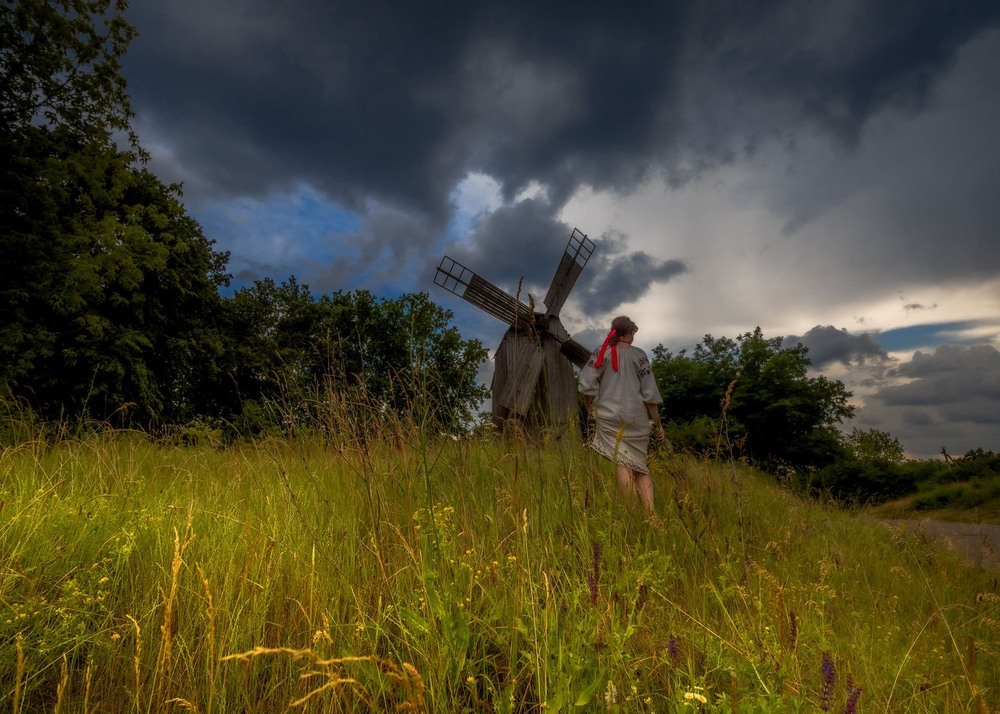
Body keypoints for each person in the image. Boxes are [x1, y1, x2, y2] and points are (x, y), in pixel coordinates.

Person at [578, 315, 664, 511]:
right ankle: (650, 515)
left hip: (609, 416)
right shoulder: (639, 355)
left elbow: (587, 382)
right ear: (630, 332)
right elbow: (650, 394)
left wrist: (588, 405)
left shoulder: (603, 352)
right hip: (637, 418)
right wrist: (658, 424)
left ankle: (633, 514)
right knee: (640, 466)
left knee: (623, 463)